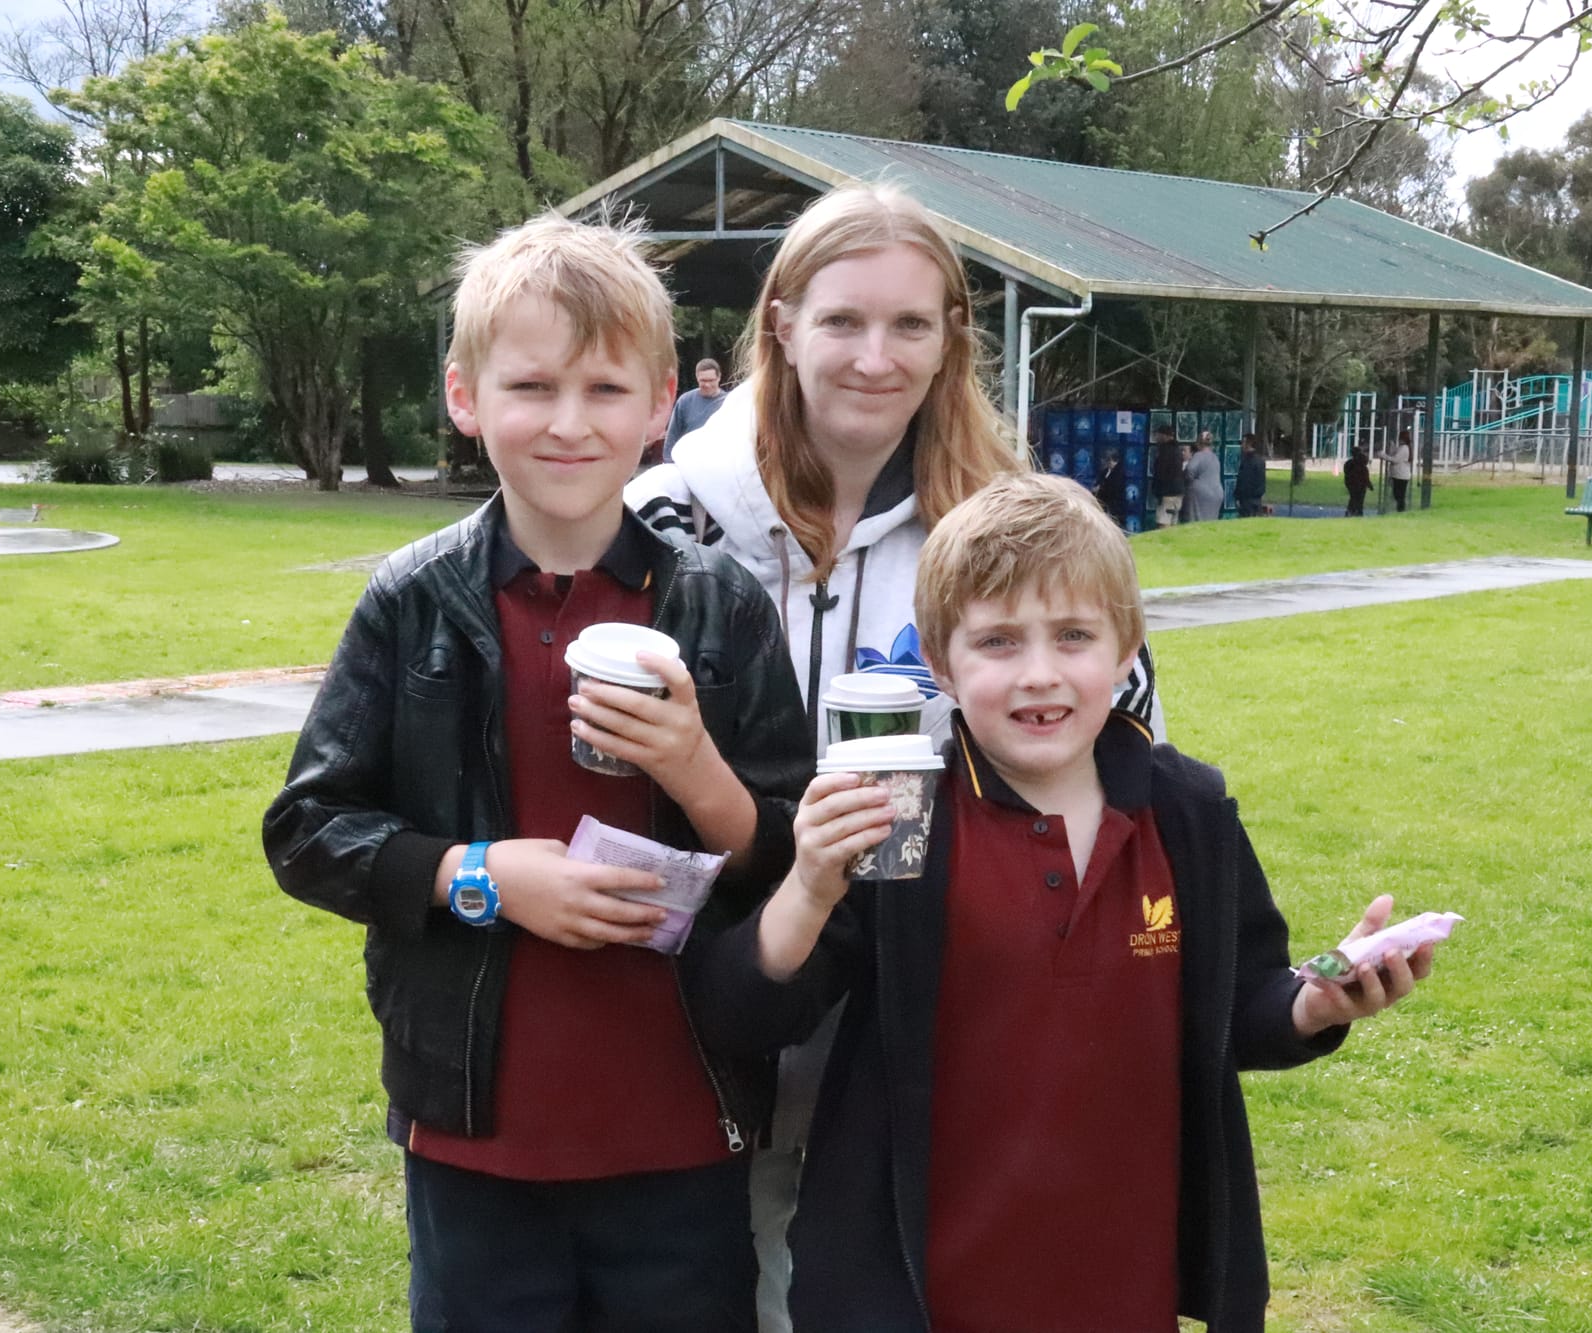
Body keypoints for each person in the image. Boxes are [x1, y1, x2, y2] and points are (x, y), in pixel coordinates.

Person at [692, 473, 1438, 1333]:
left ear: (1127, 651)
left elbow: (1240, 1009)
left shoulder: (1187, 812)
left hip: (1122, 1278)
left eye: (1074, 636)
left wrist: (1316, 1001)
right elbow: (745, 1014)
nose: (1039, 675)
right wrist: (812, 883)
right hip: (919, 1289)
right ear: (940, 663)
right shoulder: (903, 811)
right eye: (999, 641)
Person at [626, 182, 1164, 1332]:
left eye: (910, 324)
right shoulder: (662, 525)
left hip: (932, 1016)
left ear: (949, 340)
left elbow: (1123, 763)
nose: (875, 356)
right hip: (701, 1002)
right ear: (779, 324)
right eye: (841, 320)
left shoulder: (1017, 532)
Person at [263, 213, 813, 1332]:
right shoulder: (414, 601)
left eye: (606, 391)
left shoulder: (717, 603)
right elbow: (309, 830)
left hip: (681, 1121)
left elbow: (792, 857)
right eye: (531, 387)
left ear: (662, 404)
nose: (569, 424)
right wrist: (480, 875)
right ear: (466, 398)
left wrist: (695, 764)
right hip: (475, 1133)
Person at [664, 357, 729, 463]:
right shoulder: (685, 401)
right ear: (697, 378)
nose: (707, 385)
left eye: (711, 380)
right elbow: (672, 435)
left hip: (719, 462)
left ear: (719, 378)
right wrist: (668, 463)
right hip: (688, 461)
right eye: (703, 380)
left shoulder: (729, 402)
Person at [1186, 431, 1222, 521]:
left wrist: (1190, 481)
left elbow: (1190, 470)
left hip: (1200, 495)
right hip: (1217, 492)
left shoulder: (1198, 455)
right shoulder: (1215, 457)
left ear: (1199, 443)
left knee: (1198, 520)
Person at [1152, 435, 1187, 526]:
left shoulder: (1165, 452)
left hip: (1167, 493)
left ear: (1164, 436)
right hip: (1178, 493)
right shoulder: (1178, 451)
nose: (1156, 438)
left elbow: (1161, 472)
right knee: (1174, 522)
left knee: (1163, 522)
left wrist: (1157, 490)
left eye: (1158, 435)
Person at [1234, 432, 1267, 517]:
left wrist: (1237, 496)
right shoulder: (1260, 461)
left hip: (1247, 500)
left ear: (1248, 444)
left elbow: (1244, 481)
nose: (1241, 446)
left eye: (1243, 443)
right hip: (1257, 499)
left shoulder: (1247, 462)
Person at [1092, 446, 1127, 524]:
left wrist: (1100, 488)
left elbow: (1114, 489)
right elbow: (1100, 482)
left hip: (1115, 507)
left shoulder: (1119, 473)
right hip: (1104, 505)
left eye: (1108, 460)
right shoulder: (1105, 471)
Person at [1386, 428, 1413, 512]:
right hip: (1399, 475)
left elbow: (1395, 459)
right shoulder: (1402, 447)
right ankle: (1400, 509)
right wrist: (1392, 447)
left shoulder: (1404, 448)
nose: (1398, 439)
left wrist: (1383, 455)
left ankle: (1401, 510)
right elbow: (1394, 454)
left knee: (1399, 495)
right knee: (1398, 494)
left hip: (1401, 475)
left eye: (1400, 437)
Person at [1343, 444, 1372, 516]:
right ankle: (1358, 511)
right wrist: (1369, 485)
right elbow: (1365, 477)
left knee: (1353, 497)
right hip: (1360, 484)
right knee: (1360, 498)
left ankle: (1351, 510)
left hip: (1351, 483)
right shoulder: (1363, 467)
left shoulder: (1348, 463)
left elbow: (1346, 473)